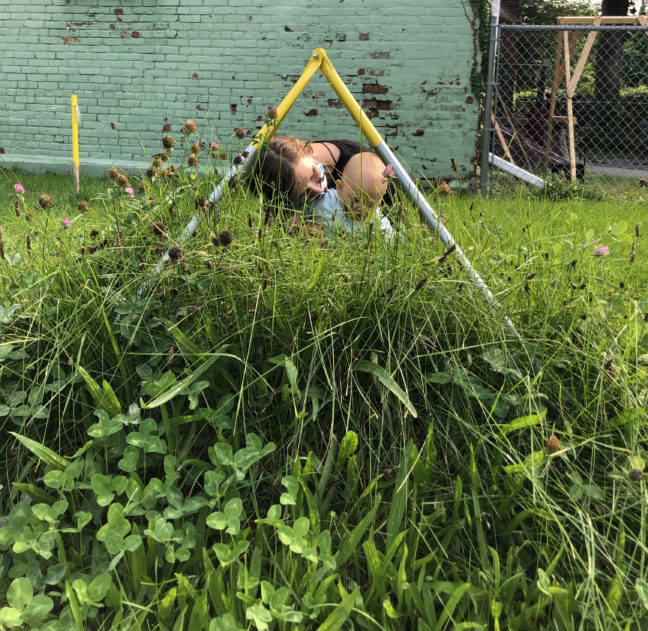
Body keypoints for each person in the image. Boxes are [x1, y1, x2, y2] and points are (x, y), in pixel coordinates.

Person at [304, 152, 394, 238]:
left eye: (371, 204)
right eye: (356, 200)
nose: (363, 208)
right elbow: (298, 209)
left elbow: (393, 241)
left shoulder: (378, 222)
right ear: (340, 188)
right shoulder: (323, 201)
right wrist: (301, 224)